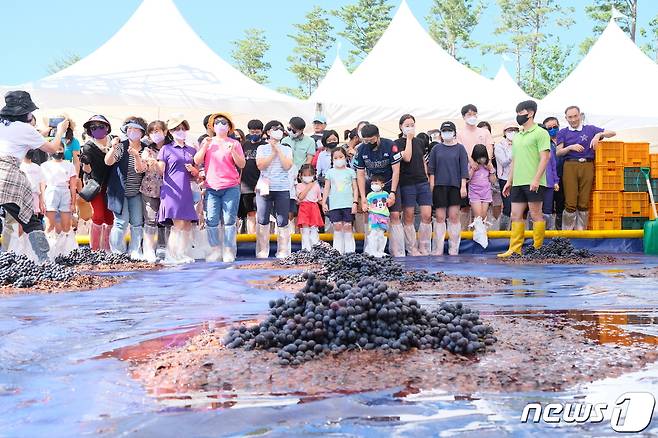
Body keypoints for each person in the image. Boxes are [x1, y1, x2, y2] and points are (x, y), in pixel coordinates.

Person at [0, 90, 68, 262]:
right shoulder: (25, 129)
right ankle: (44, 261)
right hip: (7, 175)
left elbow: (23, 138)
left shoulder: (4, 125)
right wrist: (60, 131)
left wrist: (43, 132)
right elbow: (52, 149)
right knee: (31, 221)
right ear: (25, 113)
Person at [498, 100, 550, 258]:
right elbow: (515, 160)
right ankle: (515, 249)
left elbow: (545, 158)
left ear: (531, 113)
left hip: (533, 181)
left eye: (521, 112)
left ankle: (537, 248)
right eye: (518, 112)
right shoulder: (518, 136)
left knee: (536, 214)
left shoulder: (541, 133)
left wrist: (536, 179)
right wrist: (509, 181)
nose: (519, 116)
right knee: (515, 215)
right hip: (518, 182)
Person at [194, 112, 245, 263]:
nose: (221, 125)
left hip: (230, 186)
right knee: (212, 220)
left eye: (224, 123)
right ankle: (215, 249)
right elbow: (197, 160)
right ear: (212, 126)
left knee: (229, 220)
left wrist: (233, 151)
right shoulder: (208, 142)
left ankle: (229, 250)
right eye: (217, 123)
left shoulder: (234, 143)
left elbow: (242, 164)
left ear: (229, 127)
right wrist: (205, 146)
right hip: (211, 187)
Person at [556, 106, 616, 230]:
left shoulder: (590, 129)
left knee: (584, 201)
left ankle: (581, 233)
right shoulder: (563, 132)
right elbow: (558, 152)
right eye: (570, 117)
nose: (573, 120)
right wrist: (570, 147)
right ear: (566, 118)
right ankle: (567, 234)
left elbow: (612, 133)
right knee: (570, 201)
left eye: (575, 116)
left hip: (588, 165)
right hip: (570, 165)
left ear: (580, 116)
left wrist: (599, 134)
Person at [353, 124, 404, 257]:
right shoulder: (361, 149)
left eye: (371, 140)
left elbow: (396, 170)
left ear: (377, 136)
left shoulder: (390, 145)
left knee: (394, 215)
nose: (368, 143)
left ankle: (397, 250)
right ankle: (370, 250)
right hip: (372, 185)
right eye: (365, 140)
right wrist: (363, 198)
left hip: (389, 183)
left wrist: (392, 192)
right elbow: (360, 174)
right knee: (370, 216)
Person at [158, 116, 200, 264]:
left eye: (182, 128)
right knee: (178, 223)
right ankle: (172, 255)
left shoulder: (192, 149)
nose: (180, 131)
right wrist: (151, 162)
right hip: (172, 190)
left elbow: (197, 174)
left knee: (187, 223)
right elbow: (160, 169)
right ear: (171, 132)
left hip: (187, 190)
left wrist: (194, 170)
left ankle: (182, 253)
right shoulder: (166, 148)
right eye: (176, 129)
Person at [105, 117, 147, 258]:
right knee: (121, 222)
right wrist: (113, 147)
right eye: (129, 129)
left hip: (137, 192)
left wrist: (137, 156)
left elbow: (143, 169)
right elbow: (108, 161)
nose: (132, 131)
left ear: (142, 132)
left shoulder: (146, 149)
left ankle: (135, 251)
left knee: (137, 222)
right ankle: (117, 253)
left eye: (136, 129)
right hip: (119, 192)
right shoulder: (121, 146)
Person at [428, 121, 469, 256]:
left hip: (455, 186)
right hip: (439, 186)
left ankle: (453, 249)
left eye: (449, 130)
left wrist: (463, 186)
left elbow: (464, 168)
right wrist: (432, 187)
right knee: (439, 217)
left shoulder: (460, 149)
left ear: (454, 132)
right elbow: (431, 170)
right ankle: (438, 248)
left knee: (454, 217)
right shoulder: (436, 149)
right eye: (444, 131)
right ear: (440, 133)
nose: (447, 133)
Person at [395, 114, 433, 256]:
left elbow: (423, 160)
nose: (410, 127)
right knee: (409, 215)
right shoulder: (397, 143)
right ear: (401, 127)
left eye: (412, 124)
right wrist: (409, 139)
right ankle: (412, 248)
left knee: (427, 215)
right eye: (407, 125)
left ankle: (424, 246)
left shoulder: (420, 142)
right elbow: (407, 157)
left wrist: (426, 176)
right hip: (407, 182)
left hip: (422, 181)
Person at [255, 120, 293, 259]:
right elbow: (261, 165)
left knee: (282, 219)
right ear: (268, 132)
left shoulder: (287, 149)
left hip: (282, 187)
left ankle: (283, 250)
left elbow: (287, 165)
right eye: (274, 129)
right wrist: (272, 152)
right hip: (265, 186)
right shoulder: (261, 148)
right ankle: (263, 250)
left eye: (280, 129)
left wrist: (278, 149)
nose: (278, 131)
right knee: (262, 218)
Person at [456, 104, 495, 229]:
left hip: (483, 172)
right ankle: (464, 233)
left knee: (483, 207)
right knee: (465, 207)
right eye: (469, 114)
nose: (472, 117)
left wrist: (487, 162)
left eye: (474, 114)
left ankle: (481, 231)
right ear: (463, 116)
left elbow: (490, 147)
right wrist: (471, 162)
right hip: (466, 171)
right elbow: (461, 149)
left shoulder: (484, 131)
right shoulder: (459, 133)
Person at [80, 115, 114, 251]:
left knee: (110, 218)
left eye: (101, 126)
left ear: (107, 127)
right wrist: (85, 162)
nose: (98, 129)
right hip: (96, 186)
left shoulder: (115, 143)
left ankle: (107, 248)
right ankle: (94, 250)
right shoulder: (88, 147)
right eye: (93, 127)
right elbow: (87, 170)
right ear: (89, 130)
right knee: (98, 216)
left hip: (113, 186)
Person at [138, 120, 170, 262]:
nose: (155, 134)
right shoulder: (147, 150)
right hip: (150, 189)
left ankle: (164, 248)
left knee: (166, 220)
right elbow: (143, 167)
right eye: (152, 131)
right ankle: (149, 250)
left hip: (169, 189)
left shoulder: (171, 148)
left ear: (165, 131)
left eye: (158, 131)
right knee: (150, 219)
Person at [41, 144, 78, 253]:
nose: (58, 151)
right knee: (49, 225)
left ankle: (67, 251)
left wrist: (73, 203)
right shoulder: (44, 166)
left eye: (60, 149)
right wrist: (42, 201)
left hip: (65, 192)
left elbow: (73, 186)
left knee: (66, 225)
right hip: (51, 192)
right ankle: (47, 252)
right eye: (56, 149)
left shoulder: (69, 165)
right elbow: (42, 185)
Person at [322, 146, 357, 254]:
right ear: (332, 160)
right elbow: (327, 188)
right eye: (335, 158)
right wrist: (324, 202)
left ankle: (350, 252)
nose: (338, 159)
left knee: (347, 226)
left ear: (345, 157)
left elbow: (355, 188)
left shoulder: (350, 172)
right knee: (337, 226)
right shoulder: (330, 172)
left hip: (348, 203)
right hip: (335, 204)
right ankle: (338, 252)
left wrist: (355, 202)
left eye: (341, 157)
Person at [239, 119, 264, 234]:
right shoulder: (244, 145)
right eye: (252, 132)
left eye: (257, 132)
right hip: (246, 183)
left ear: (262, 132)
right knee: (250, 212)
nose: (254, 134)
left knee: (262, 211)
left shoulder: (265, 146)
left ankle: (262, 237)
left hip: (262, 183)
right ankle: (252, 237)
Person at [468, 144, 495, 247]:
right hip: (475, 193)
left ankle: (481, 235)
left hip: (486, 192)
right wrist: (472, 170)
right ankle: (479, 237)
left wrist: (491, 170)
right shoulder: (472, 165)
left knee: (483, 216)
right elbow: (467, 179)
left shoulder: (488, 166)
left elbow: (493, 181)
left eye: (483, 157)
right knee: (478, 216)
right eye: (479, 158)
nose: (481, 160)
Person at [493, 123, 519, 230]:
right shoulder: (500, 145)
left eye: (514, 130)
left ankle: (515, 231)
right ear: (504, 132)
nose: (512, 132)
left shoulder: (521, 143)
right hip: (505, 179)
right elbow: (503, 162)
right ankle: (502, 232)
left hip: (519, 178)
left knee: (517, 208)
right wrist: (514, 151)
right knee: (507, 207)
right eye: (509, 130)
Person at [543, 116, 565, 229]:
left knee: (562, 203)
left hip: (564, 176)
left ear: (559, 126)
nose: (552, 129)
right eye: (549, 128)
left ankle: (560, 232)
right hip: (549, 178)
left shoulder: (565, 139)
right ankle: (548, 231)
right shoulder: (544, 142)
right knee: (548, 205)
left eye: (555, 126)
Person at [296, 164, 323, 251]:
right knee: (305, 229)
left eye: (309, 175)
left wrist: (324, 205)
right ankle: (306, 249)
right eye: (305, 175)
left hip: (314, 208)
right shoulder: (299, 186)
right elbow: (300, 197)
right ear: (301, 175)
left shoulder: (317, 186)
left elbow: (319, 199)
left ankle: (315, 248)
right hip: (304, 207)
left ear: (314, 175)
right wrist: (309, 186)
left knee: (314, 228)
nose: (307, 177)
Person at [538, 122, 560, 230]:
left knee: (548, 209)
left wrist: (556, 181)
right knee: (535, 210)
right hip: (535, 184)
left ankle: (547, 234)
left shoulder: (549, 148)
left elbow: (553, 166)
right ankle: (533, 234)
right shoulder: (530, 148)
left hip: (549, 183)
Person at [364, 174, 389, 258]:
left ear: (382, 185)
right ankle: (372, 251)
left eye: (376, 183)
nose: (374, 185)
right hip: (374, 216)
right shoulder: (369, 195)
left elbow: (389, 202)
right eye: (372, 183)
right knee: (374, 232)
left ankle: (380, 250)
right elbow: (366, 205)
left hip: (384, 217)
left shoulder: (386, 194)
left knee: (381, 233)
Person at [20, 150, 45, 222]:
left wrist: (41, 201)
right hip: (23, 196)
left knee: (34, 219)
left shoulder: (37, 167)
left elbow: (41, 184)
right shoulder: (19, 166)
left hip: (35, 196)